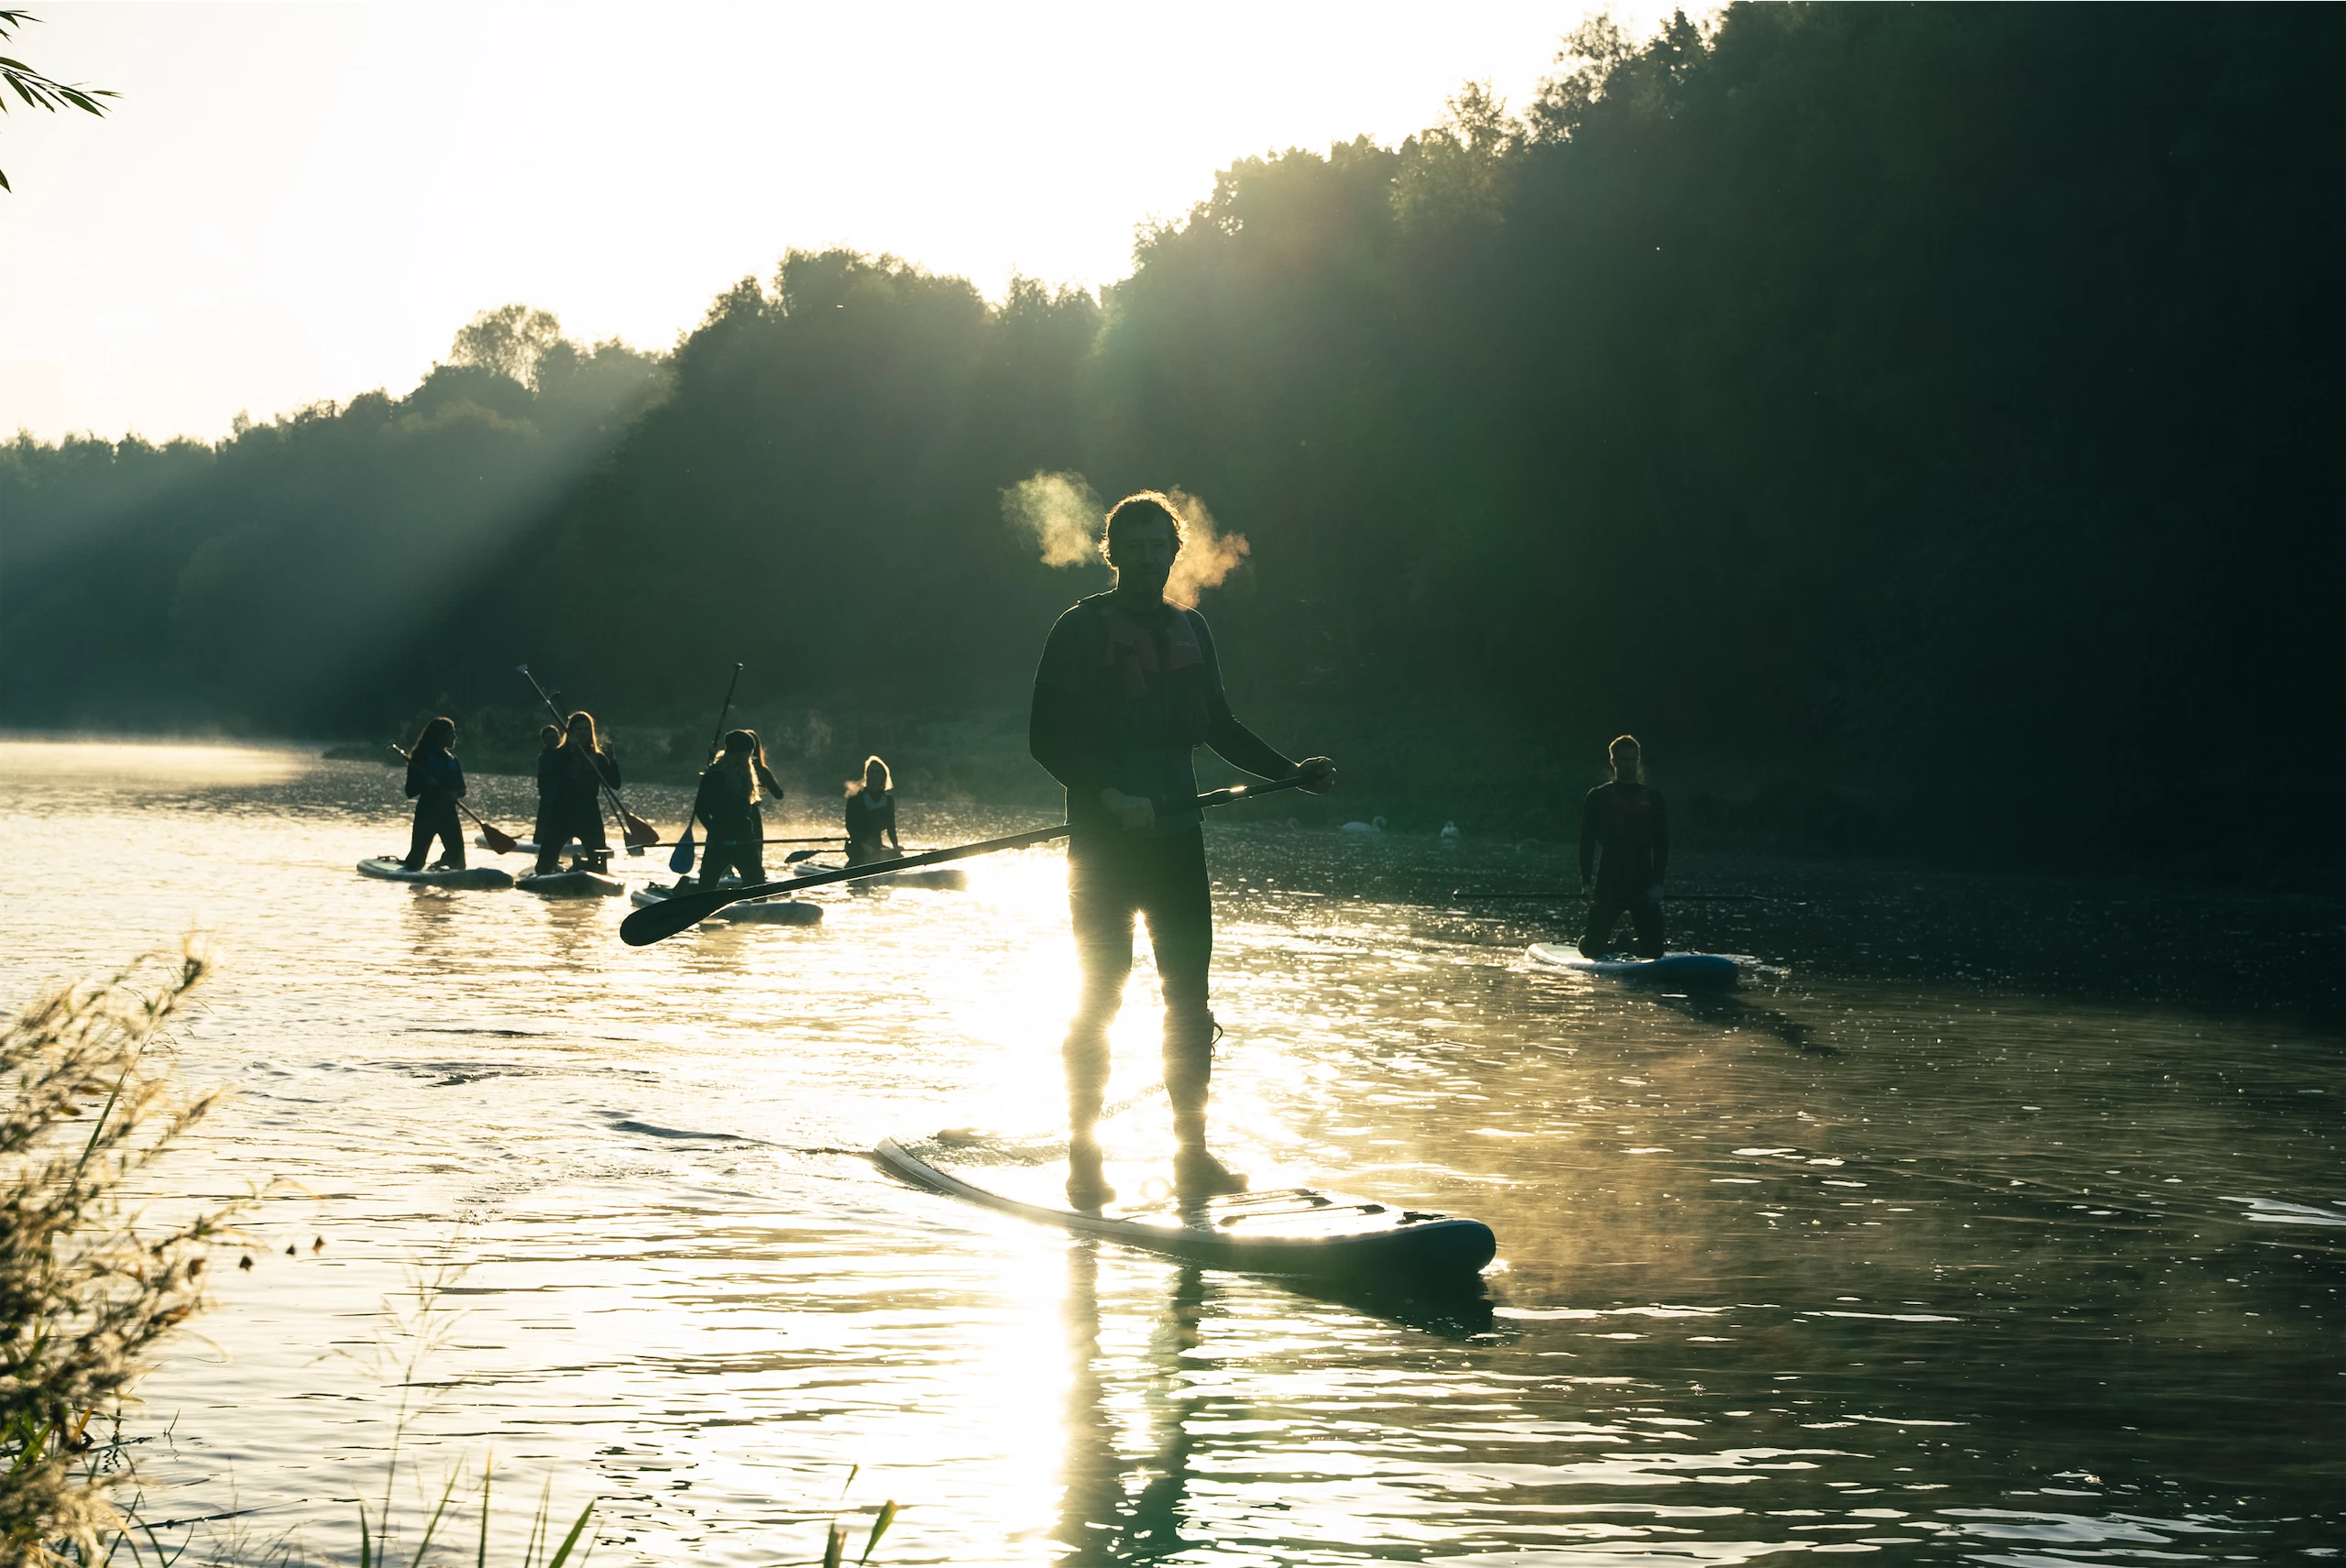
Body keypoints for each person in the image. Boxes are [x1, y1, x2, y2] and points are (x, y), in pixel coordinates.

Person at [1029, 491, 1335, 1206]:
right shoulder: (1077, 629)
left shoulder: (1192, 628)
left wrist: (1289, 771)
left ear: (1174, 551)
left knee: (1189, 1003)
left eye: (1158, 546)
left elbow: (1219, 727)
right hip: (1103, 852)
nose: (1147, 558)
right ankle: (1083, 1161)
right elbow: (1046, 738)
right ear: (1113, 553)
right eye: (1134, 546)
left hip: (1177, 849)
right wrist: (1109, 796)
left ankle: (1192, 1159)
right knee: (1100, 995)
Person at [1578, 734, 1669, 959]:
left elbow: (1662, 844)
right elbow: (1586, 842)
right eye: (1624, 760)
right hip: (1609, 879)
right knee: (1592, 950)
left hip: (1643, 881)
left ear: (1638, 761)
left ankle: (1629, 945)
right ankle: (1595, 943)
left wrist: (1658, 884)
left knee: (1655, 951)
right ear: (1613, 761)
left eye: (1633, 759)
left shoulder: (1654, 798)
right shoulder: (1597, 797)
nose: (1629, 765)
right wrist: (1586, 883)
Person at [691, 729, 784, 886]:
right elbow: (701, 808)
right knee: (707, 885)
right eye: (747, 754)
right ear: (738, 754)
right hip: (719, 838)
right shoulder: (714, 775)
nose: (749, 759)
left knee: (758, 884)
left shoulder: (745, 775)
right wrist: (714, 830)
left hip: (744, 837)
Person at [533, 710, 621, 875]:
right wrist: (571, 751)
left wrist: (612, 760)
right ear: (571, 731)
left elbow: (615, 784)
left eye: (586, 729)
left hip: (589, 813)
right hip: (562, 811)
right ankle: (559, 870)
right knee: (543, 867)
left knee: (600, 867)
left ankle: (582, 866)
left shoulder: (598, 757)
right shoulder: (558, 754)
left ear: (591, 732)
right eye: (578, 729)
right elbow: (553, 777)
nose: (583, 733)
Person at [400, 717, 466, 872]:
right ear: (439, 736)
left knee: (459, 863)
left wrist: (455, 794)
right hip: (427, 813)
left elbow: (462, 789)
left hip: (448, 814)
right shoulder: (420, 758)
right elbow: (410, 791)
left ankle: (443, 862)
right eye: (451, 734)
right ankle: (414, 866)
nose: (455, 737)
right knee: (416, 863)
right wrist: (426, 784)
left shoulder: (453, 760)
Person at [844, 754, 902, 864]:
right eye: (871, 772)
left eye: (877, 772)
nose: (873, 775)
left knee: (899, 859)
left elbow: (891, 826)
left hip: (876, 845)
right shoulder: (856, 798)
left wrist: (895, 845)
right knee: (864, 858)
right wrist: (863, 844)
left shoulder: (888, 800)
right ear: (866, 775)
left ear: (883, 776)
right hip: (857, 846)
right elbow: (850, 826)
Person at [529, 723, 561, 852]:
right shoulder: (544, 758)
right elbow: (545, 779)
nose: (552, 740)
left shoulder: (567, 754)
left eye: (554, 737)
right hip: (548, 797)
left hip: (563, 798)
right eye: (549, 738)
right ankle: (539, 842)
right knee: (544, 824)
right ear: (544, 741)